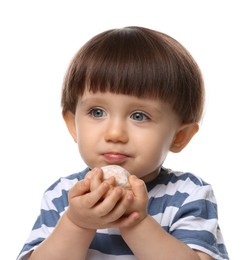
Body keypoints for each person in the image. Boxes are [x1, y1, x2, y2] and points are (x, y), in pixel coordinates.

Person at [17, 26, 229, 260]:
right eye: (97, 112)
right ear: (73, 125)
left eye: (139, 116)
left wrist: (136, 223)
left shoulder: (189, 194)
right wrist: (77, 223)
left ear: (180, 136)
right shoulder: (63, 195)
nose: (115, 133)